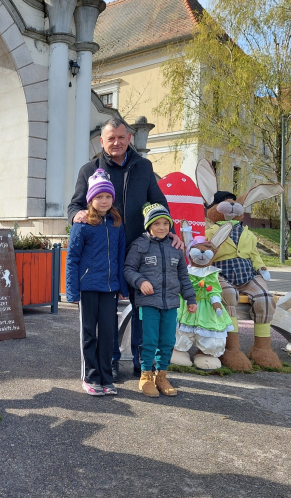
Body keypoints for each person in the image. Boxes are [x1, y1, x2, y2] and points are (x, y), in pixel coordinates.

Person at [67, 117, 182, 381]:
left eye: (121, 137)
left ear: (128, 138)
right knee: (108, 315)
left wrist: (172, 233)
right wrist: (77, 215)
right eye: (111, 139)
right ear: (102, 142)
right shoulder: (89, 169)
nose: (116, 143)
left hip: (141, 251)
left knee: (144, 307)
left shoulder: (143, 167)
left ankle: (143, 362)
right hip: (106, 254)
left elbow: (158, 203)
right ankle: (111, 361)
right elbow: (74, 206)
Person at [66, 169, 129, 396]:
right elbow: (72, 259)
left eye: (108, 197)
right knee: (89, 333)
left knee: (107, 334)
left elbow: (120, 257)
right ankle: (91, 377)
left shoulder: (116, 224)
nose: (104, 201)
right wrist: (72, 291)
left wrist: (122, 286)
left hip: (110, 288)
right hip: (88, 288)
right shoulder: (82, 225)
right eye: (99, 197)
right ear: (91, 199)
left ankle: (106, 377)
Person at [124, 203, 197, 397]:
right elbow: (128, 269)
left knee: (167, 341)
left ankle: (161, 376)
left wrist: (190, 298)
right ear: (149, 225)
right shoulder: (140, 245)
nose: (163, 227)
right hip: (148, 303)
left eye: (166, 223)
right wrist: (140, 282)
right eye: (157, 223)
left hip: (171, 303)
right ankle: (145, 377)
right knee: (149, 341)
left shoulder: (175, 248)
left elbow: (183, 276)